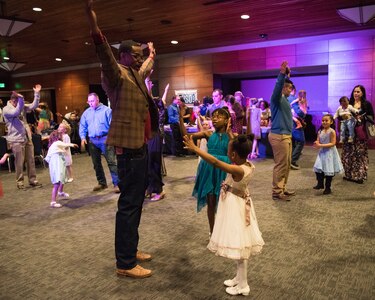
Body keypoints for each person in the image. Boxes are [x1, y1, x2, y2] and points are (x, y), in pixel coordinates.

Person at [84, 0, 159, 279]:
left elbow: (147, 68)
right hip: (127, 150)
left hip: (138, 147)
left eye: (142, 56)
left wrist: (152, 53)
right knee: (128, 204)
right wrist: (93, 23)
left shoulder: (135, 74)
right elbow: (103, 51)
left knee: (136, 201)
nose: (140, 59)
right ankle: (125, 263)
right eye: (136, 55)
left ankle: (131, 248)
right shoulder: (115, 74)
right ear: (124, 55)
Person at [183, 134, 264, 296]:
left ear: (233, 155)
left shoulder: (237, 169)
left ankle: (243, 285)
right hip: (237, 204)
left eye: (228, 150)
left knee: (239, 246)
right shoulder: (246, 164)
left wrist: (196, 149)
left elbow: (214, 162)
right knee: (239, 246)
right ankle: (239, 278)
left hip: (236, 209)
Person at [180, 108, 233, 235]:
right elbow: (186, 136)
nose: (214, 119)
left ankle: (225, 230)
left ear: (226, 120)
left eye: (218, 117)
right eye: (213, 116)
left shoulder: (232, 136)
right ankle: (212, 231)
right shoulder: (208, 134)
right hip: (209, 169)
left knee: (225, 200)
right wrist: (180, 120)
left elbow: (235, 146)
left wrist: (230, 132)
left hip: (224, 168)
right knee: (211, 200)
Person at [2, 86, 43, 189]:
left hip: (27, 138)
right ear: (12, 101)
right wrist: (20, 100)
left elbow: (34, 106)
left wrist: (36, 94)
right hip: (16, 140)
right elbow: (16, 112)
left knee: (31, 160)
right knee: (19, 162)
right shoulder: (6, 110)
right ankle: (20, 183)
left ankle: (33, 180)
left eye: (20, 101)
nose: (19, 104)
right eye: (17, 101)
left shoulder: (21, 105)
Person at [79, 93, 120, 192]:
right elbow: (83, 126)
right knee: (96, 163)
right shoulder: (86, 113)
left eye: (92, 101)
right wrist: (83, 137)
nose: (91, 103)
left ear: (97, 100)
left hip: (105, 139)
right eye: (89, 101)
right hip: (93, 141)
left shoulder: (107, 110)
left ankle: (117, 184)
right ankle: (102, 183)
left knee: (112, 162)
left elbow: (113, 125)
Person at [268, 61, 295, 201]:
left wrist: (287, 75)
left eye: (291, 88)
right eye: (288, 87)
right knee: (281, 164)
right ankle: (277, 191)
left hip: (286, 136)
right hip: (279, 136)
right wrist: (282, 74)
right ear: (283, 87)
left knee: (286, 163)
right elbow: (278, 87)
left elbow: (283, 85)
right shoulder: (277, 98)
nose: (290, 90)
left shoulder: (285, 100)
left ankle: (282, 188)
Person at [341, 85, 374, 184]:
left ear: (362, 93)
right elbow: (340, 114)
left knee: (360, 154)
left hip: (361, 132)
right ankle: (349, 175)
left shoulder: (366, 104)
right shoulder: (348, 102)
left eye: (358, 91)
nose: (356, 93)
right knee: (347, 154)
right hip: (348, 133)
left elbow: (371, 117)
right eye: (355, 91)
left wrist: (361, 118)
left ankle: (360, 175)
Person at [145, 75, 168, 202]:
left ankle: (159, 190)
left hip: (154, 135)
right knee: (147, 164)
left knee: (153, 163)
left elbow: (149, 100)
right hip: (147, 136)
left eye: (148, 83)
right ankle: (150, 188)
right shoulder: (148, 102)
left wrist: (147, 83)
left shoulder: (157, 104)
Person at [44, 130, 78, 208]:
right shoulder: (57, 143)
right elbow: (65, 144)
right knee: (57, 181)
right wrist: (73, 145)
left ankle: (61, 192)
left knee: (62, 177)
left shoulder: (53, 145)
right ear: (58, 137)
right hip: (57, 163)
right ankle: (53, 201)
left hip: (58, 162)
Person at [313, 114, 343, 195]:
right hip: (322, 152)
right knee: (318, 167)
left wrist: (321, 145)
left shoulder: (332, 131)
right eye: (323, 120)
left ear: (331, 122)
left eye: (326, 121)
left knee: (328, 170)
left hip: (329, 152)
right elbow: (318, 140)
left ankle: (328, 187)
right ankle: (320, 183)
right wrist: (317, 143)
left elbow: (333, 143)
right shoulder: (320, 131)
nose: (324, 122)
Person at [290, 90, 309, 169]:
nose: (302, 95)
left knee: (295, 141)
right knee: (301, 141)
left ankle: (291, 160)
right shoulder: (294, 100)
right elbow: (300, 113)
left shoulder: (302, 101)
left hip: (294, 121)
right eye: (301, 94)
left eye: (304, 94)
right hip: (295, 122)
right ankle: (292, 161)